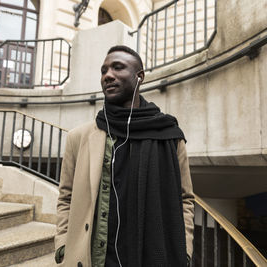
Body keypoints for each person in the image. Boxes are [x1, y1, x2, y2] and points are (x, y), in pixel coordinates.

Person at [55, 45, 194, 267]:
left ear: (139, 77)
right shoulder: (78, 137)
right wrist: (63, 244)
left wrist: (184, 249)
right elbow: (66, 197)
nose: (107, 75)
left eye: (117, 68)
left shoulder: (169, 136)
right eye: (103, 71)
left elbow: (185, 199)